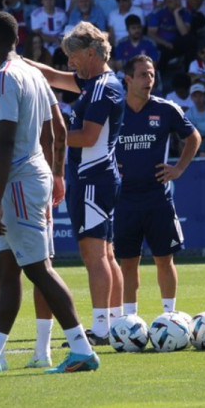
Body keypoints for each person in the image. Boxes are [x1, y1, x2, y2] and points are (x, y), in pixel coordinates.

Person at [0, 12, 99, 375]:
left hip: (17, 179)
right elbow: (55, 131)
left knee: (39, 269)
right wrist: (54, 172)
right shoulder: (34, 73)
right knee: (8, 271)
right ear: (17, 40)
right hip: (33, 172)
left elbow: (3, 141)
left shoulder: (4, 78)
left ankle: (81, 349)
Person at [24, 22, 125, 345]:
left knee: (94, 255)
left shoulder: (100, 88)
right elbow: (50, 75)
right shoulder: (98, 82)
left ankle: (102, 328)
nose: (70, 63)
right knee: (106, 255)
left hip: (93, 177)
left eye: (74, 56)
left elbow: (88, 136)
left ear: (92, 54)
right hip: (97, 176)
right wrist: (14, 59)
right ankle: (116, 321)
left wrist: (49, 135)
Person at [115, 55, 200, 317]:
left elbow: (193, 137)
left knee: (165, 259)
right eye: (142, 75)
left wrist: (179, 169)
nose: (148, 80)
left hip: (157, 199)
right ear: (128, 79)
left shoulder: (166, 109)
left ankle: (169, 316)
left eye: (151, 74)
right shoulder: (113, 111)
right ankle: (129, 320)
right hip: (123, 200)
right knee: (128, 263)